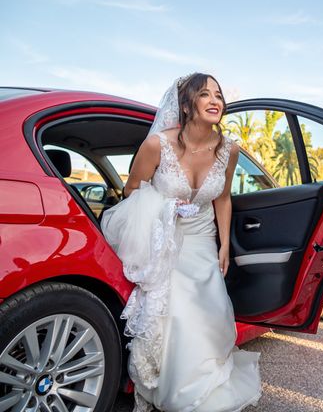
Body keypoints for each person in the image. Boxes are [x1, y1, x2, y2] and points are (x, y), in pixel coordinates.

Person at [102, 73, 261, 412]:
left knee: (208, 309)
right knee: (171, 313)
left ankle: (200, 386)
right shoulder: (157, 145)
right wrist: (166, 207)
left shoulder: (228, 149)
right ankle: (165, 384)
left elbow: (223, 198)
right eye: (205, 94)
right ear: (187, 104)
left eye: (218, 94)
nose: (215, 99)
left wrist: (224, 245)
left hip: (202, 239)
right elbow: (132, 190)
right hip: (163, 240)